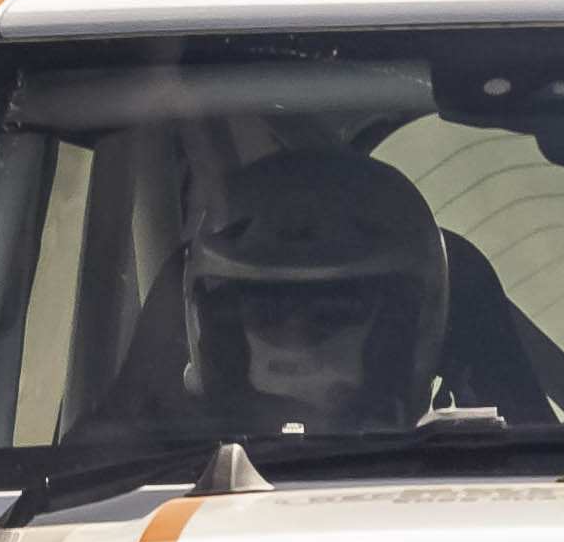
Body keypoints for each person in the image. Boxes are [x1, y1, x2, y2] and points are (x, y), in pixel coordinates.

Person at [174, 147, 457, 435]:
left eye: (333, 309)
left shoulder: (467, 472)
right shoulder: (170, 469)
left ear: (398, 330)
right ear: (220, 336)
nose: (296, 336)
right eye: (267, 311)